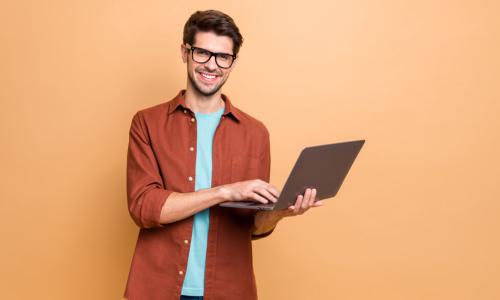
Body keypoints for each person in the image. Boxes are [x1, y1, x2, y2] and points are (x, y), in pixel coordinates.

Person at [124, 10, 323, 300]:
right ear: (185, 52)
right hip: (157, 288)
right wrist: (225, 192)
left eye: (223, 57)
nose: (212, 65)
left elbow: (253, 225)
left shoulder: (255, 133)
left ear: (233, 63)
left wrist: (280, 212)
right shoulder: (147, 123)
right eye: (202, 53)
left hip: (229, 290)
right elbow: (144, 208)